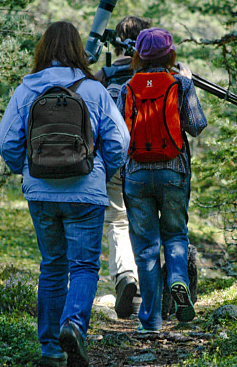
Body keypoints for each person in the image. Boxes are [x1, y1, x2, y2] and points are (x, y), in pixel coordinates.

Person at [0, 21, 130, 367]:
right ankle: (73, 324)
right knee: (84, 265)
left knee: (52, 266)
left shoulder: (26, 89)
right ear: (76, 49)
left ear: (43, 49)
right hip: (85, 192)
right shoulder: (94, 89)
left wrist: (28, 170)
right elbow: (119, 142)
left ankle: (51, 349)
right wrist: (101, 171)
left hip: (41, 192)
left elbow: (5, 143)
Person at [116, 28, 207, 333]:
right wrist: (190, 85)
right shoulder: (179, 84)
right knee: (175, 235)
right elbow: (196, 126)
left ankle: (150, 320)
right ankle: (178, 278)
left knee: (145, 247)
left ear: (138, 56)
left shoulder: (127, 88)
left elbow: (119, 137)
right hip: (173, 171)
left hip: (137, 174)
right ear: (171, 55)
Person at [94, 16, 151, 319]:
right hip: (149, 159)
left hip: (113, 158)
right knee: (147, 222)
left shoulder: (104, 75)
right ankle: (152, 287)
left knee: (117, 223)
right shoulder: (154, 73)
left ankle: (126, 277)